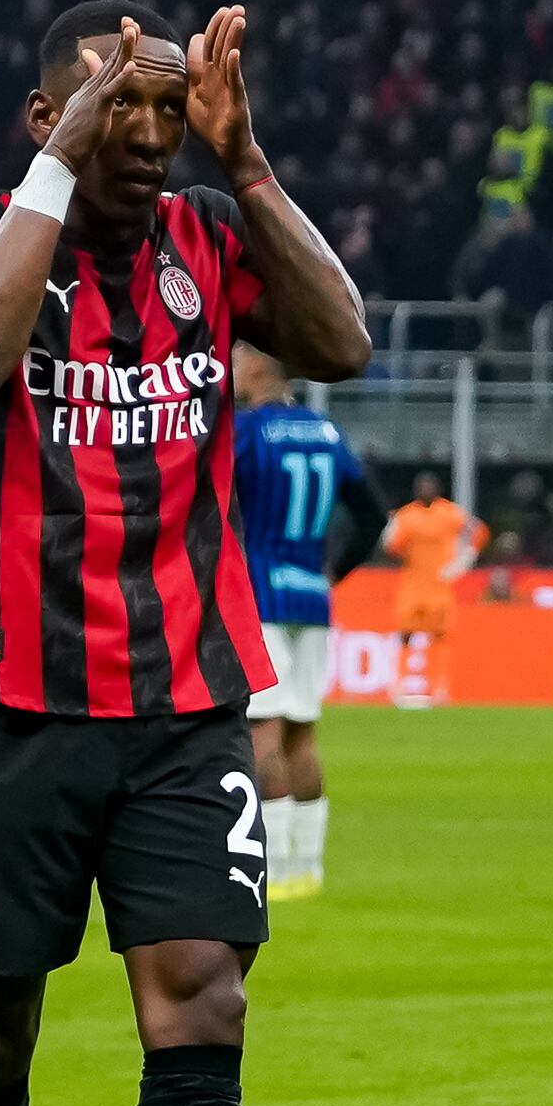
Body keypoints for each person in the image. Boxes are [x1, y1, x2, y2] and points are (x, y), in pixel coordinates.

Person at [0, 0, 370, 1106]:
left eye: (169, 108)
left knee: (202, 1003)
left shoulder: (209, 246)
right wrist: (72, 150)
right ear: (46, 125)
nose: (150, 134)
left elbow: (342, 339)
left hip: (180, 709)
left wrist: (250, 161)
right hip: (12, 713)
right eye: (125, 108)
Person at [230, 345, 387, 900]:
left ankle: (268, 871)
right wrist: (332, 569)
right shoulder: (326, 432)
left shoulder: (245, 433)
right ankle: (308, 867)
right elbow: (371, 515)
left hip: (261, 597)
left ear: (257, 367)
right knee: (302, 732)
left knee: (261, 732)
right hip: (313, 599)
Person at [383, 472, 488, 707]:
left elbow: (479, 531)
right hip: (412, 583)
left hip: (439, 584)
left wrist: (465, 559)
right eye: (421, 486)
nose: (425, 489)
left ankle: (440, 688)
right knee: (405, 633)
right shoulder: (407, 515)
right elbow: (393, 548)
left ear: (437, 488)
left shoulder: (449, 512)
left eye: (429, 485)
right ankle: (398, 686)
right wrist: (390, 534)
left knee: (440, 635)